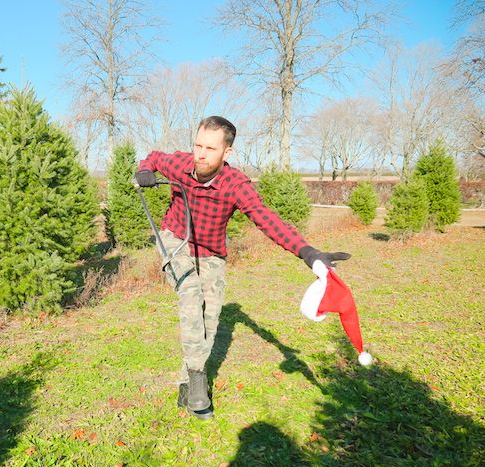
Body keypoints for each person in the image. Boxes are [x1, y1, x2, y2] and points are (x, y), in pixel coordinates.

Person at [134, 116, 350, 420]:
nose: (201, 154)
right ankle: (198, 382)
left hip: (211, 253)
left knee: (209, 317)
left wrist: (307, 252)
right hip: (176, 239)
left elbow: (266, 218)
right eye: (198, 145)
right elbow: (155, 157)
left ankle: (186, 382)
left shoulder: (235, 186)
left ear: (227, 152)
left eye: (210, 148)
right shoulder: (180, 165)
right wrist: (145, 170)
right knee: (191, 296)